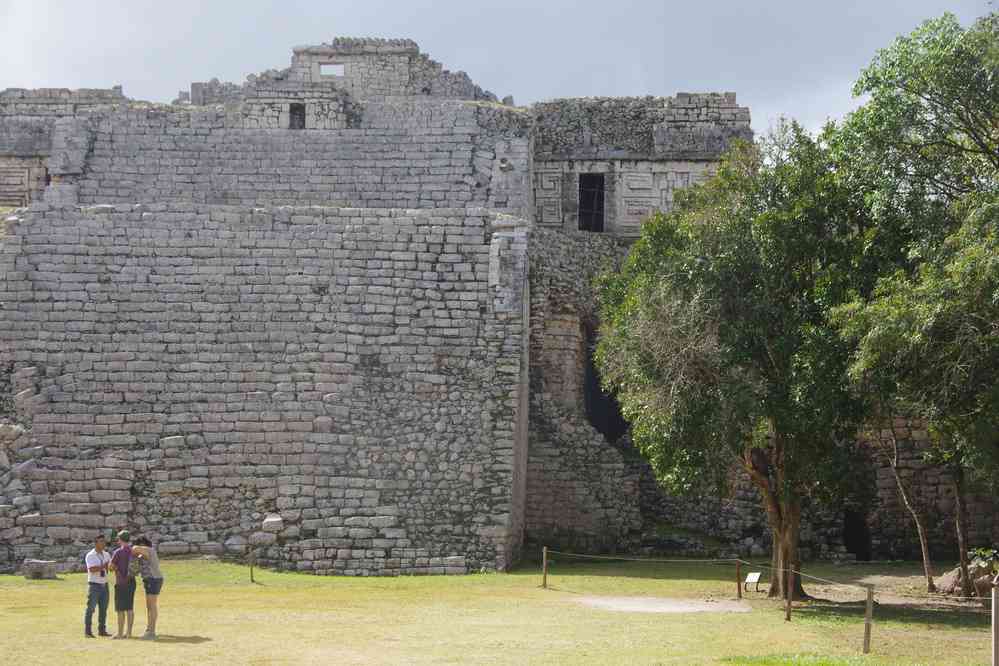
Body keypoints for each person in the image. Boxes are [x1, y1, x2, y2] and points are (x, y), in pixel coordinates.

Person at [131, 536, 164, 640]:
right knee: (149, 606)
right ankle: (149, 629)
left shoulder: (149, 550)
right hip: (150, 580)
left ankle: (151, 632)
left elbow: (134, 549)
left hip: (153, 579)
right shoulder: (142, 555)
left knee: (151, 606)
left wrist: (128, 550)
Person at [108, 529, 136, 639]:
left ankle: (120, 633)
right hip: (131, 581)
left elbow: (111, 567)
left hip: (121, 582)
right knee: (129, 608)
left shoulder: (118, 552)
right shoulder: (133, 551)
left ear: (120, 539)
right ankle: (129, 633)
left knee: (120, 609)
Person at [84, 534, 112, 638]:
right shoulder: (90, 555)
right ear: (96, 543)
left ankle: (102, 630)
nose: (104, 543)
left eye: (104, 541)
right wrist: (103, 566)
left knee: (103, 609)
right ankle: (88, 631)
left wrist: (111, 567)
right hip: (94, 585)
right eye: (101, 541)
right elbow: (91, 569)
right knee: (91, 608)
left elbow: (109, 567)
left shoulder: (106, 554)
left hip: (104, 584)